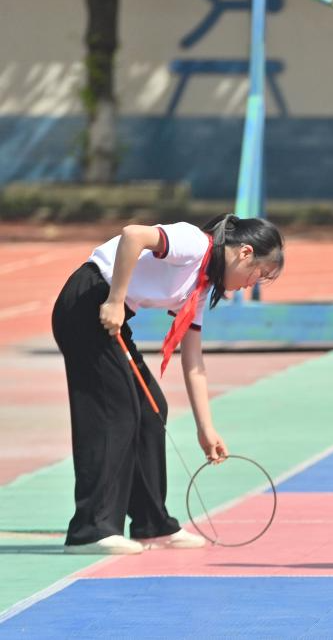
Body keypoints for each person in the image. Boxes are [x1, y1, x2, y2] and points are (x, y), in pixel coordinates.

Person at [52, 214, 284, 554]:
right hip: (88, 304)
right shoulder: (193, 243)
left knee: (151, 410)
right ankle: (90, 529)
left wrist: (206, 429)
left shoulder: (202, 287)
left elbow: (193, 361)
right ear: (245, 252)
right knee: (114, 411)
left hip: (108, 315)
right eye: (259, 274)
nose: (253, 283)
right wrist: (116, 300)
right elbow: (133, 235)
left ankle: (152, 524)